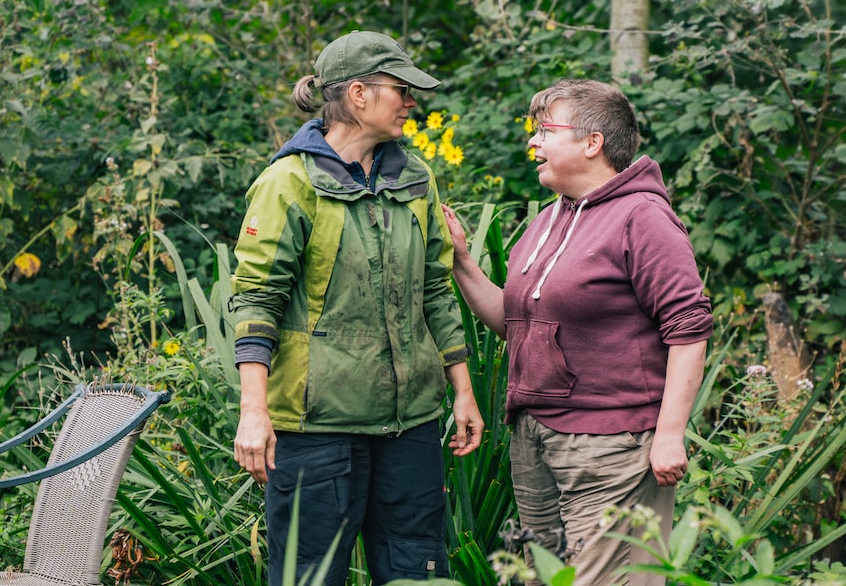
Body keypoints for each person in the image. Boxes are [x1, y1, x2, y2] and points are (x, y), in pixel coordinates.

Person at [230, 30, 484, 586]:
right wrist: (254, 411)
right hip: (316, 429)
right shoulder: (289, 183)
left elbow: (434, 289)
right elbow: (256, 300)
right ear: (359, 94)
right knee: (309, 577)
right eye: (401, 89)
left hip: (410, 425)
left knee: (419, 575)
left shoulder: (416, 179)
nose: (412, 102)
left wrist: (462, 391)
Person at [442, 79, 713, 586]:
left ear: (593, 142)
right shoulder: (546, 221)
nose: (533, 142)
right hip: (536, 440)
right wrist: (462, 261)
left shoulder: (643, 217)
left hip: (611, 447)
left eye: (545, 131)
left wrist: (669, 435)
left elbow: (689, 328)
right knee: (543, 578)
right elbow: (515, 324)